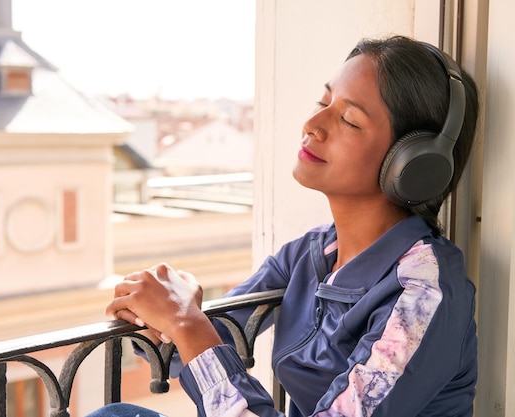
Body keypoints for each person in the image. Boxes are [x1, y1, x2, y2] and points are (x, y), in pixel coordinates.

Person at [87, 35, 480, 417]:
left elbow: (195, 339)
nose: (312, 123)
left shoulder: (424, 294)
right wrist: (166, 307)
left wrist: (186, 322)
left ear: (412, 164)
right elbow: (179, 358)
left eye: (347, 119)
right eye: (323, 102)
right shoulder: (309, 256)